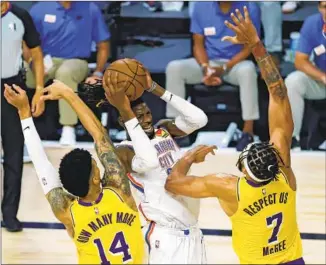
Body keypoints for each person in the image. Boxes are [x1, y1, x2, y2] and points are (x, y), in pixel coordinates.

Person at [165, 7, 304, 264]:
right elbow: (279, 93)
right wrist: (256, 44)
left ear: (244, 169)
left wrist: (188, 157)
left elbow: (172, 184)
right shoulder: (285, 174)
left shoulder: (227, 186)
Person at [3, 81, 144, 264]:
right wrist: (68, 93)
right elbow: (100, 136)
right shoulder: (119, 191)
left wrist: (24, 114)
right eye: (96, 166)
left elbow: (43, 168)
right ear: (95, 178)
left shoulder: (67, 212)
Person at [101, 65, 208, 263]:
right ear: (123, 121)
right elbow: (149, 161)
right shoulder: (125, 150)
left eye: (148, 113)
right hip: (164, 234)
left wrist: (155, 88)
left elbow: (199, 119)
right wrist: (125, 110)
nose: (147, 120)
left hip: (192, 229)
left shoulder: (163, 130)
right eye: (139, 117)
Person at [165, 1, 261, 151]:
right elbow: (198, 44)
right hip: (208, 61)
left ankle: (248, 131)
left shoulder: (249, 7)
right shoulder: (201, 6)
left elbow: (251, 46)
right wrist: (205, 68)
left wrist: (224, 68)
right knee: (174, 68)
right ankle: (176, 130)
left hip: (235, 63)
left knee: (248, 71)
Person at [27, 1, 110, 145]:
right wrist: (31, 62)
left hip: (77, 61)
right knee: (20, 74)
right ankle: (14, 126)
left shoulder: (90, 8)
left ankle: (68, 127)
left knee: (65, 73)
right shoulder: (39, 9)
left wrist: (97, 72)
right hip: (45, 59)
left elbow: (103, 44)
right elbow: (28, 43)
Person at [1, 1, 44, 232]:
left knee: (14, 155)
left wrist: (38, 89)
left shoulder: (20, 16)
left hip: (11, 89)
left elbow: (36, 54)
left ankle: (10, 215)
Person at [284, 1, 326, 148]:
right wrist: (322, 77)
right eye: (325, 6)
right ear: (320, 8)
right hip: (322, 81)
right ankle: (292, 139)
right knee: (293, 81)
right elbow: (300, 61)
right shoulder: (312, 23)